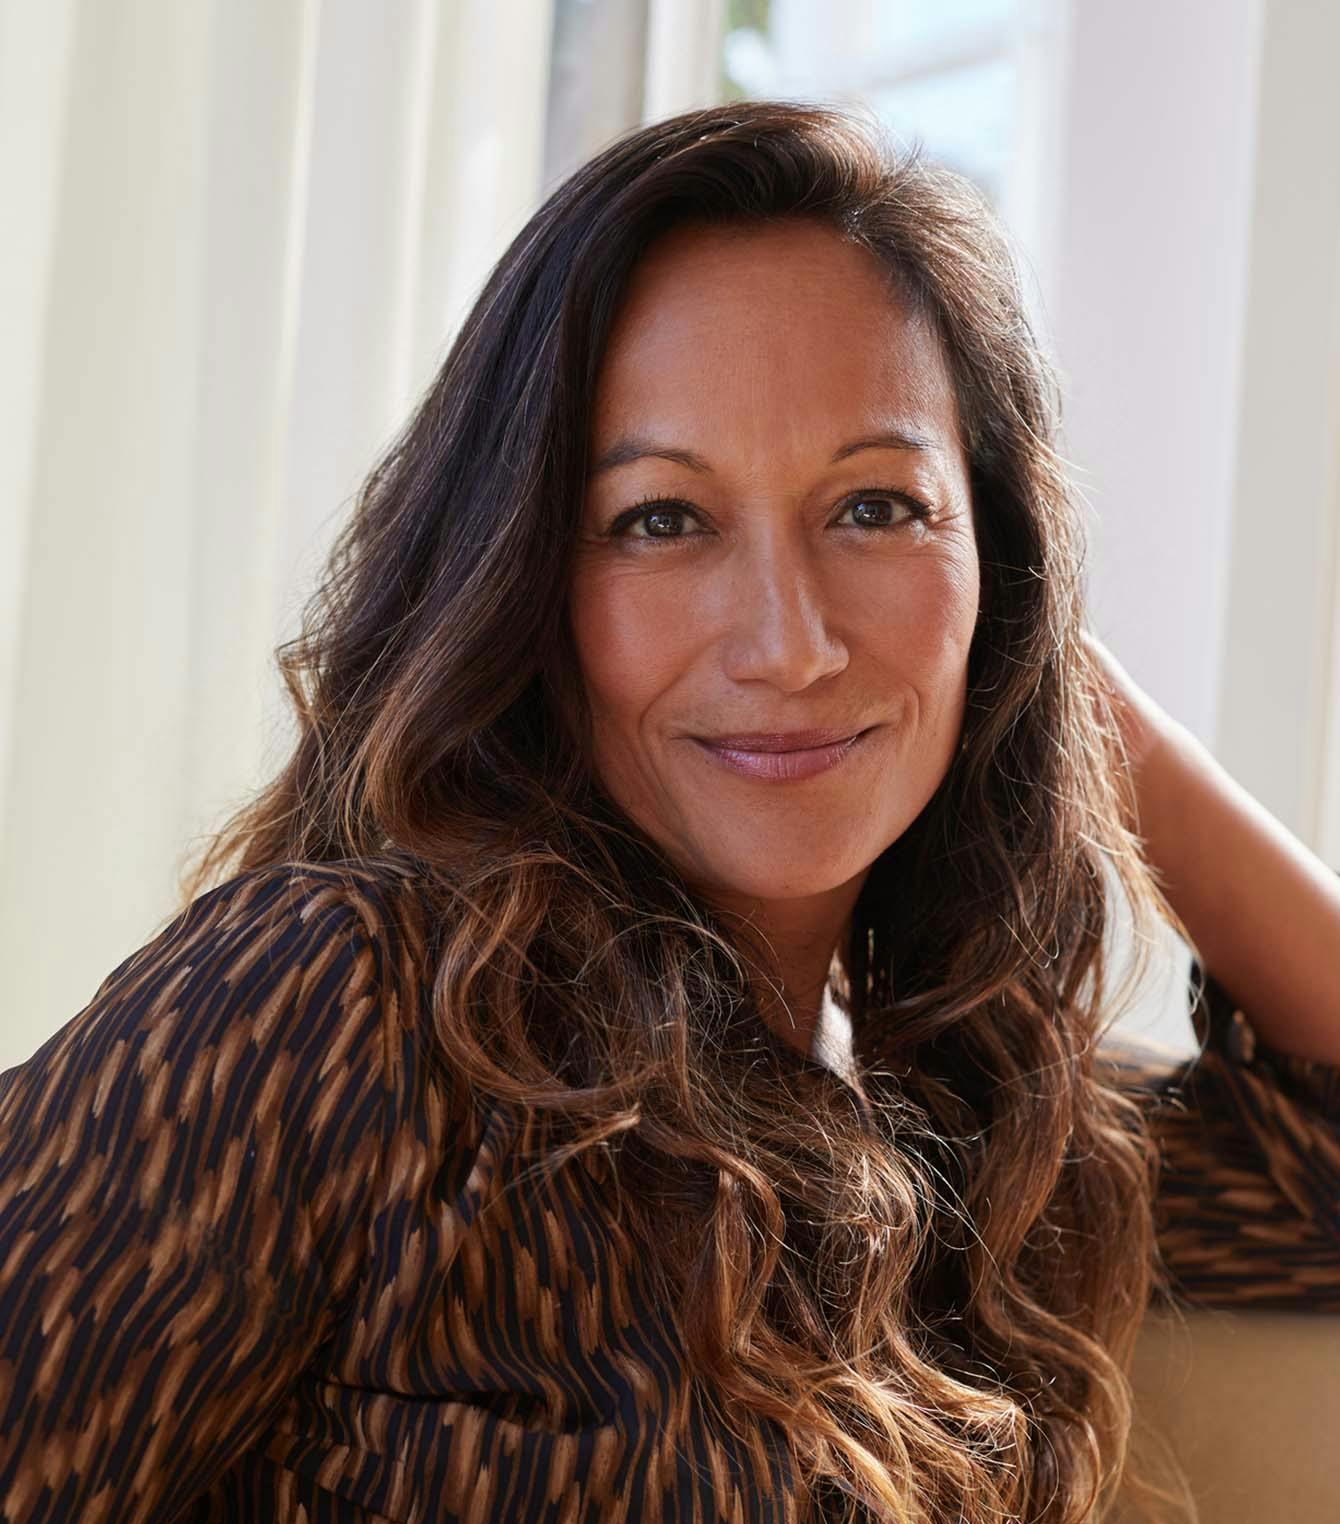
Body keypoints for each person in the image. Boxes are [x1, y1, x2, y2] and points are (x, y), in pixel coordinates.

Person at [0, 100, 1336, 1524]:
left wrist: (1058, 684)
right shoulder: (341, 1000)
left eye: (877, 509)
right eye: (660, 520)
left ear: (997, 564)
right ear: (523, 580)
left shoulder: (971, 1123)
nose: (791, 645)